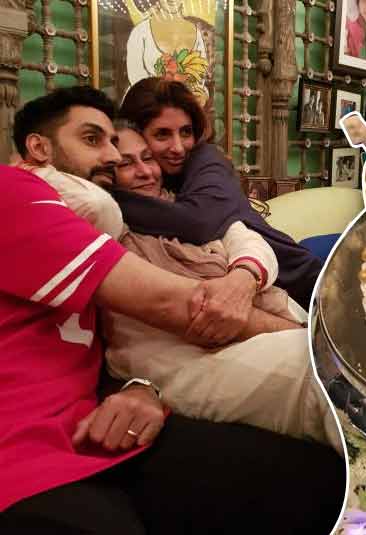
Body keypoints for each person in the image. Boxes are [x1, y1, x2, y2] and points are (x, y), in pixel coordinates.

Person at [1, 86, 346, 534]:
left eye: (118, 144)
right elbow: (173, 310)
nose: (112, 157)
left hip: (98, 430)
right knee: (326, 374)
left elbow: (239, 240)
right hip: (26, 457)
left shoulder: (171, 197)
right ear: (39, 148)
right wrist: (306, 333)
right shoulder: (17, 192)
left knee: (318, 481)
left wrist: (143, 389)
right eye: (93, 140)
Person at [101, 121, 341, 449]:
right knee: (331, 376)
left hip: (277, 318)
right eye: (126, 164)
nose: (145, 171)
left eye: (147, 158)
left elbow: (249, 241)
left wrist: (241, 279)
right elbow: (202, 314)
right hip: (191, 359)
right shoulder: (113, 232)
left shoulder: (190, 207)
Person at [116, 77, 323, 308]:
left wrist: (110, 196)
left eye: (186, 132)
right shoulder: (156, 178)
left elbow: (198, 222)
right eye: (162, 134)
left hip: (301, 284)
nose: (178, 147)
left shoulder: (207, 159)